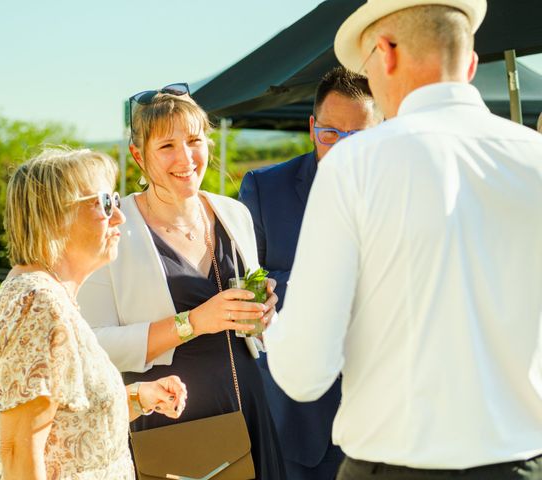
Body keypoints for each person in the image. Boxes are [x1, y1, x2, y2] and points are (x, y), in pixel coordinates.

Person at [265, 0, 542, 479]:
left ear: (387, 52)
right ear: (471, 64)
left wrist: (269, 325)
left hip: (394, 466)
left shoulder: (353, 165)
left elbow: (305, 375)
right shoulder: (535, 159)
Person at [78, 85, 287, 479]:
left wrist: (265, 316)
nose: (186, 158)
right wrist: (193, 322)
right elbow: (94, 345)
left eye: (194, 141)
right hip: (171, 426)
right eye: (167, 146)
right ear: (138, 156)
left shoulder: (233, 213)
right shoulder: (115, 228)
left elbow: (253, 332)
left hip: (248, 410)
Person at [0, 148, 187, 480]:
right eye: (105, 203)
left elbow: (66, 426)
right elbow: (19, 453)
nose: (119, 216)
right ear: (55, 215)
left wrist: (134, 396)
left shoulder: (52, 297)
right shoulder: (36, 303)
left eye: (117, 200)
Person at [238, 66, 380, 480]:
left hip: (385, 419)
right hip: (298, 423)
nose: (341, 149)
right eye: (330, 134)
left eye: (359, 137)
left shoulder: (405, 190)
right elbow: (250, 293)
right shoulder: (265, 189)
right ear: (312, 126)